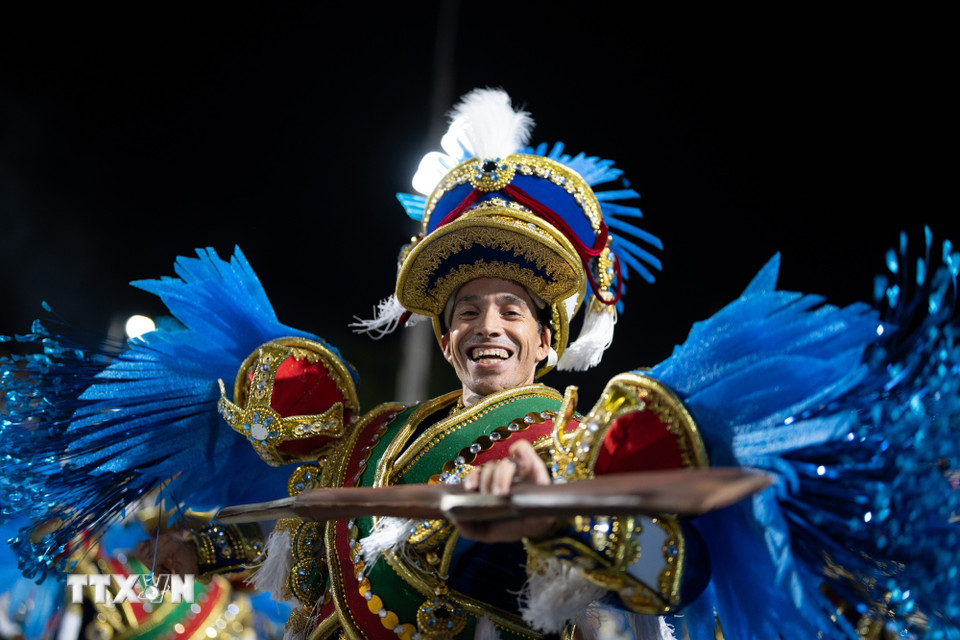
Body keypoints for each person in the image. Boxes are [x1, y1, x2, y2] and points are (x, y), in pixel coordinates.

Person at [4, 89, 959, 640]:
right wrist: (192, 552)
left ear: (548, 337)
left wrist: (558, 511)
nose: (488, 327)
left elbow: (670, 573)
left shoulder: (592, 440)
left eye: (512, 309)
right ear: (444, 333)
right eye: (467, 311)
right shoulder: (368, 440)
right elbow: (286, 548)